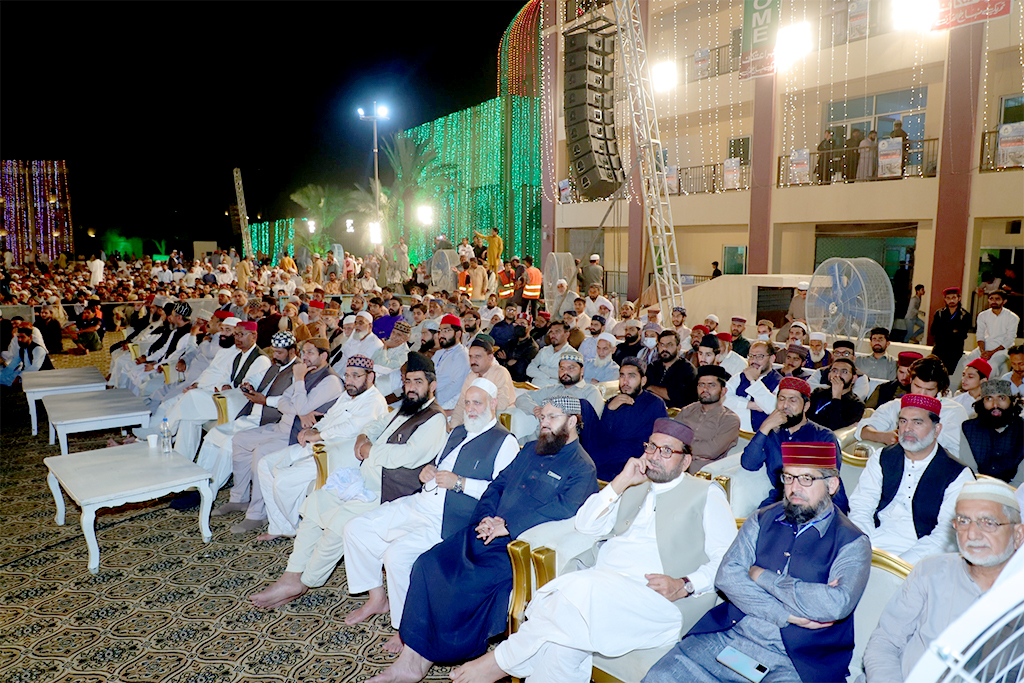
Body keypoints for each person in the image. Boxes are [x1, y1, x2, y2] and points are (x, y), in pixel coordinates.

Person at [453, 419, 737, 683]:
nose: (653, 455)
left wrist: (685, 585)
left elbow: (729, 563)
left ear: (686, 460)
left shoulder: (706, 494)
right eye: (650, 446)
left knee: (577, 590)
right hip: (603, 590)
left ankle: (501, 660)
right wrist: (620, 482)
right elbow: (586, 525)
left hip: (659, 602)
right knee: (560, 649)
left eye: (666, 451)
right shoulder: (634, 485)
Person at [368, 396, 598, 683]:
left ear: (573, 422)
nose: (544, 423)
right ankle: (410, 657)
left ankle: (427, 657)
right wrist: (487, 518)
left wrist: (509, 526)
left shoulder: (583, 468)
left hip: (518, 548)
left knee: (461, 585)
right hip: (485, 530)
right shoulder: (529, 450)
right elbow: (497, 485)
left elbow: (565, 513)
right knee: (428, 563)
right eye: (543, 417)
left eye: (552, 418)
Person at [644, 442, 871, 683]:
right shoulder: (762, 518)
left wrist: (761, 576)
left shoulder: (853, 542)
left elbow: (835, 605)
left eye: (806, 479)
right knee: (661, 676)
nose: (795, 488)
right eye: (789, 477)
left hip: (796, 661)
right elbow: (727, 576)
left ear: (832, 484)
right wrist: (787, 615)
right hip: (731, 636)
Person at [248, 352, 448, 609]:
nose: (411, 387)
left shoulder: (435, 418)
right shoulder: (405, 408)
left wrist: (369, 451)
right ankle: (290, 574)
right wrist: (363, 436)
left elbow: (410, 456)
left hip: (391, 491)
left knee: (338, 524)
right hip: (365, 481)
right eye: (408, 381)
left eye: (418, 382)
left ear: (432, 386)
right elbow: (377, 424)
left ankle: (305, 581)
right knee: (316, 502)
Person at [340, 379, 520, 651]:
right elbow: (436, 466)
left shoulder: (504, 441)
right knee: (355, 528)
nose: (471, 409)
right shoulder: (458, 431)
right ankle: (377, 598)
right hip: (421, 502)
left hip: (452, 519)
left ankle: (405, 629)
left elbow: (503, 493)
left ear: (493, 404)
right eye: (467, 402)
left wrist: (461, 483)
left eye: (478, 403)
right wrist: (427, 471)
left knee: (396, 556)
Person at [860, 479, 1024, 683]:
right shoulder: (930, 571)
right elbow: (884, 642)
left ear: (1018, 534)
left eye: (988, 523)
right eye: (963, 521)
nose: (972, 534)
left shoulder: (1017, 597)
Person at [213, 337, 342, 533]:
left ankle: (257, 514)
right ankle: (239, 498)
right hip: (282, 426)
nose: (304, 357)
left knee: (261, 452)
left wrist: (298, 386)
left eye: (309, 353)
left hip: (297, 434)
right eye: (303, 352)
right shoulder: (308, 373)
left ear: (323, 356)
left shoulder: (330, 380)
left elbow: (297, 404)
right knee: (239, 440)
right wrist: (299, 408)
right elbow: (284, 401)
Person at [254, 354, 389, 540]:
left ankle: (296, 528)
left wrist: (317, 435)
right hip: (317, 446)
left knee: (283, 481)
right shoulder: (348, 395)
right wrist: (312, 429)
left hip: (336, 455)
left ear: (370, 377)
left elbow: (352, 429)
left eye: (356, 376)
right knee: (265, 464)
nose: (349, 381)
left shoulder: (373, 401)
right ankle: (280, 526)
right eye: (347, 375)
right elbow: (330, 417)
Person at [848, 394, 974, 564]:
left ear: (937, 430)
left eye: (917, 422)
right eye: (903, 421)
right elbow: (861, 507)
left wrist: (896, 567)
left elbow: (946, 534)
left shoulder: (957, 474)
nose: (907, 428)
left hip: (923, 556)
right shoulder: (882, 458)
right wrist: (863, 548)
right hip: (873, 542)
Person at [192, 331, 298, 499]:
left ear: (292, 351)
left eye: (279, 352)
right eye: (274, 351)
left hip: (268, 420)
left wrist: (265, 400)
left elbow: (293, 401)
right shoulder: (274, 366)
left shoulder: (297, 371)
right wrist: (249, 384)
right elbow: (257, 377)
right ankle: (199, 482)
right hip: (251, 415)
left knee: (228, 443)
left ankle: (208, 493)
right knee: (213, 435)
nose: (275, 356)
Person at [742, 377, 849, 512]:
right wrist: (764, 427)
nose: (785, 405)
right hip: (781, 500)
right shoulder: (772, 433)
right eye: (781, 399)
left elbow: (827, 483)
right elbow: (749, 464)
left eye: (793, 400)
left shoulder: (823, 436)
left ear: (806, 406)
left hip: (819, 502)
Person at [856, 356, 968, 458]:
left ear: (939, 388)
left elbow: (955, 451)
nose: (922, 394)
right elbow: (862, 430)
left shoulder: (954, 411)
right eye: (917, 386)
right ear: (910, 381)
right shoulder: (895, 406)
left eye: (929, 390)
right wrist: (884, 436)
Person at [581, 357, 668, 481]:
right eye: (622, 376)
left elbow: (663, 436)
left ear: (643, 381)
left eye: (631, 376)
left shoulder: (654, 403)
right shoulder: (613, 401)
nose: (625, 381)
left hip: (632, 455)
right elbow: (602, 435)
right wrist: (610, 410)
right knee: (584, 406)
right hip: (607, 453)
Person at [515, 350, 604, 442]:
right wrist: (535, 409)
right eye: (562, 368)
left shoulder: (590, 392)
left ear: (582, 371)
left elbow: (590, 426)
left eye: (571, 368)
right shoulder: (552, 389)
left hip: (563, 443)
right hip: (536, 440)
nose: (565, 372)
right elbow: (522, 398)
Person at [958, 379, 1024, 486]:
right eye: (989, 398)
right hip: (976, 491)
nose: (995, 405)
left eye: (1001, 398)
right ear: (982, 402)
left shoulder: (1021, 429)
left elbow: (1021, 480)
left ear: (1012, 401)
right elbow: (970, 473)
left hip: (1015, 494)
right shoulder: (968, 428)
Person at [676, 365, 740, 473]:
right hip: (675, 468)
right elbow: (670, 436)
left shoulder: (729, 420)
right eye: (701, 385)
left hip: (703, 474)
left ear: (723, 391)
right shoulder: (688, 410)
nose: (705, 389)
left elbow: (710, 451)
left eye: (711, 385)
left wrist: (680, 447)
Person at [449, 334, 515, 427]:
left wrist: (476, 405)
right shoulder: (471, 376)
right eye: (471, 356)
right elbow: (461, 404)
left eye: (478, 356)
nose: (473, 361)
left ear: (490, 357)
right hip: (474, 419)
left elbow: (502, 403)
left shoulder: (500, 372)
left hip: (498, 420)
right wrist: (453, 427)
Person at [724, 340, 783, 432]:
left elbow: (772, 408)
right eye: (751, 356)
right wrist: (748, 404)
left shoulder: (780, 382)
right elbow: (723, 398)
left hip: (759, 436)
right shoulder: (740, 376)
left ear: (772, 359)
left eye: (760, 356)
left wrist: (753, 381)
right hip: (730, 429)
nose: (754, 360)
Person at [807, 358, 866, 431]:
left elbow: (834, 427)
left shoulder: (856, 404)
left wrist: (836, 398)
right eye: (834, 371)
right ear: (829, 375)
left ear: (854, 378)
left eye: (844, 372)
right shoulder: (818, 393)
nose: (838, 375)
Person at [973, 290, 1020, 378]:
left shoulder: (1012, 317)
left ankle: (985, 389)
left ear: (1004, 301)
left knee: (992, 366)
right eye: (991, 299)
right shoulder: (982, 315)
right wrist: (983, 351)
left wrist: (991, 353)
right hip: (985, 347)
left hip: (1003, 349)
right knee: (968, 361)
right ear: (988, 300)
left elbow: (1010, 339)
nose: (994, 301)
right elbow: (980, 334)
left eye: (997, 299)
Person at [431, 314, 471, 416]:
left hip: (445, 406)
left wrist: (433, 401)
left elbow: (456, 387)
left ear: (458, 334)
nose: (441, 335)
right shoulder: (439, 353)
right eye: (440, 331)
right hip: (430, 399)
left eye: (446, 330)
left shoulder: (462, 356)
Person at [929, 286, 970, 380]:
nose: (951, 300)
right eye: (948, 298)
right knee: (935, 373)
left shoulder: (964, 315)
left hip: (954, 351)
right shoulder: (939, 313)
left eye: (954, 298)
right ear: (945, 299)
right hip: (939, 349)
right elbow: (933, 331)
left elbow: (962, 334)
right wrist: (952, 331)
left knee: (948, 376)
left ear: (959, 298)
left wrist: (945, 331)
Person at [526, 320, 574, 388]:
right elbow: (529, 370)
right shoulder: (544, 350)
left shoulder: (572, 354)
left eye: (557, 331)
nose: (553, 335)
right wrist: (546, 376)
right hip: (533, 388)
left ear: (567, 334)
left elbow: (563, 375)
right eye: (551, 332)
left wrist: (542, 368)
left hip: (554, 393)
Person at [498, 313, 540, 383]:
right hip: (504, 377)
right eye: (516, 324)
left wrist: (505, 361)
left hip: (520, 383)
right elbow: (497, 358)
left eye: (522, 323)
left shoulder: (532, 347)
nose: (519, 326)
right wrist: (508, 363)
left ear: (530, 326)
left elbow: (520, 370)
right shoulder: (511, 342)